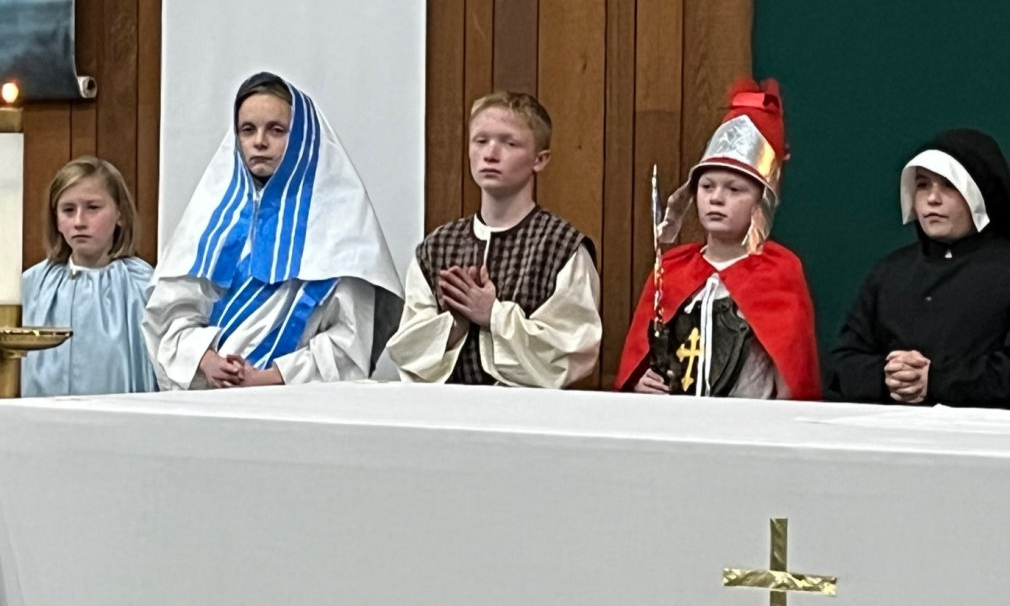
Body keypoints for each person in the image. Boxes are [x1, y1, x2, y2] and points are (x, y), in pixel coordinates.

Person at [145, 72, 403, 390]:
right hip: (211, 401)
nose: (260, 142)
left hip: (297, 406)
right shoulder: (209, 220)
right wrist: (207, 361)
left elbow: (349, 343)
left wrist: (268, 378)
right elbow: (167, 318)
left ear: (301, 138)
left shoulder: (342, 228)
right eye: (247, 129)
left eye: (276, 130)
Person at [828, 128, 1010, 409]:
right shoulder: (889, 274)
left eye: (949, 186)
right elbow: (842, 364)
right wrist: (888, 378)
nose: (932, 199)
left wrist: (936, 379)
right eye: (923, 185)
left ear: (979, 194)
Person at [615, 78, 821, 400]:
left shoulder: (779, 271)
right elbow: (643, 358)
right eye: (707, 186)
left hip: (748, 430)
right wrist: (640, 382)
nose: (716, 198)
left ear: (760, 202)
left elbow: (792, 375)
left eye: (734, 189)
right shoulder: (672, 268)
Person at [386, 91, 601, 387]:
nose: (490, 154)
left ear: (540, 159)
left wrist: (493, 315)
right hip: (446, 418)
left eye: (509, 143)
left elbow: (573, 351)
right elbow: (407, 353)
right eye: (481, 141)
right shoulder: (436, 248)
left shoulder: (562, 247)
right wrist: (454, 325)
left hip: (530, 420)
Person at [21, 156, 157, 396]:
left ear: (120, 215)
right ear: (56, 219)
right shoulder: (34, 283)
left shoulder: (142, 283)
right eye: (68, 210)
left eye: (93, 208)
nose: (79, 221)